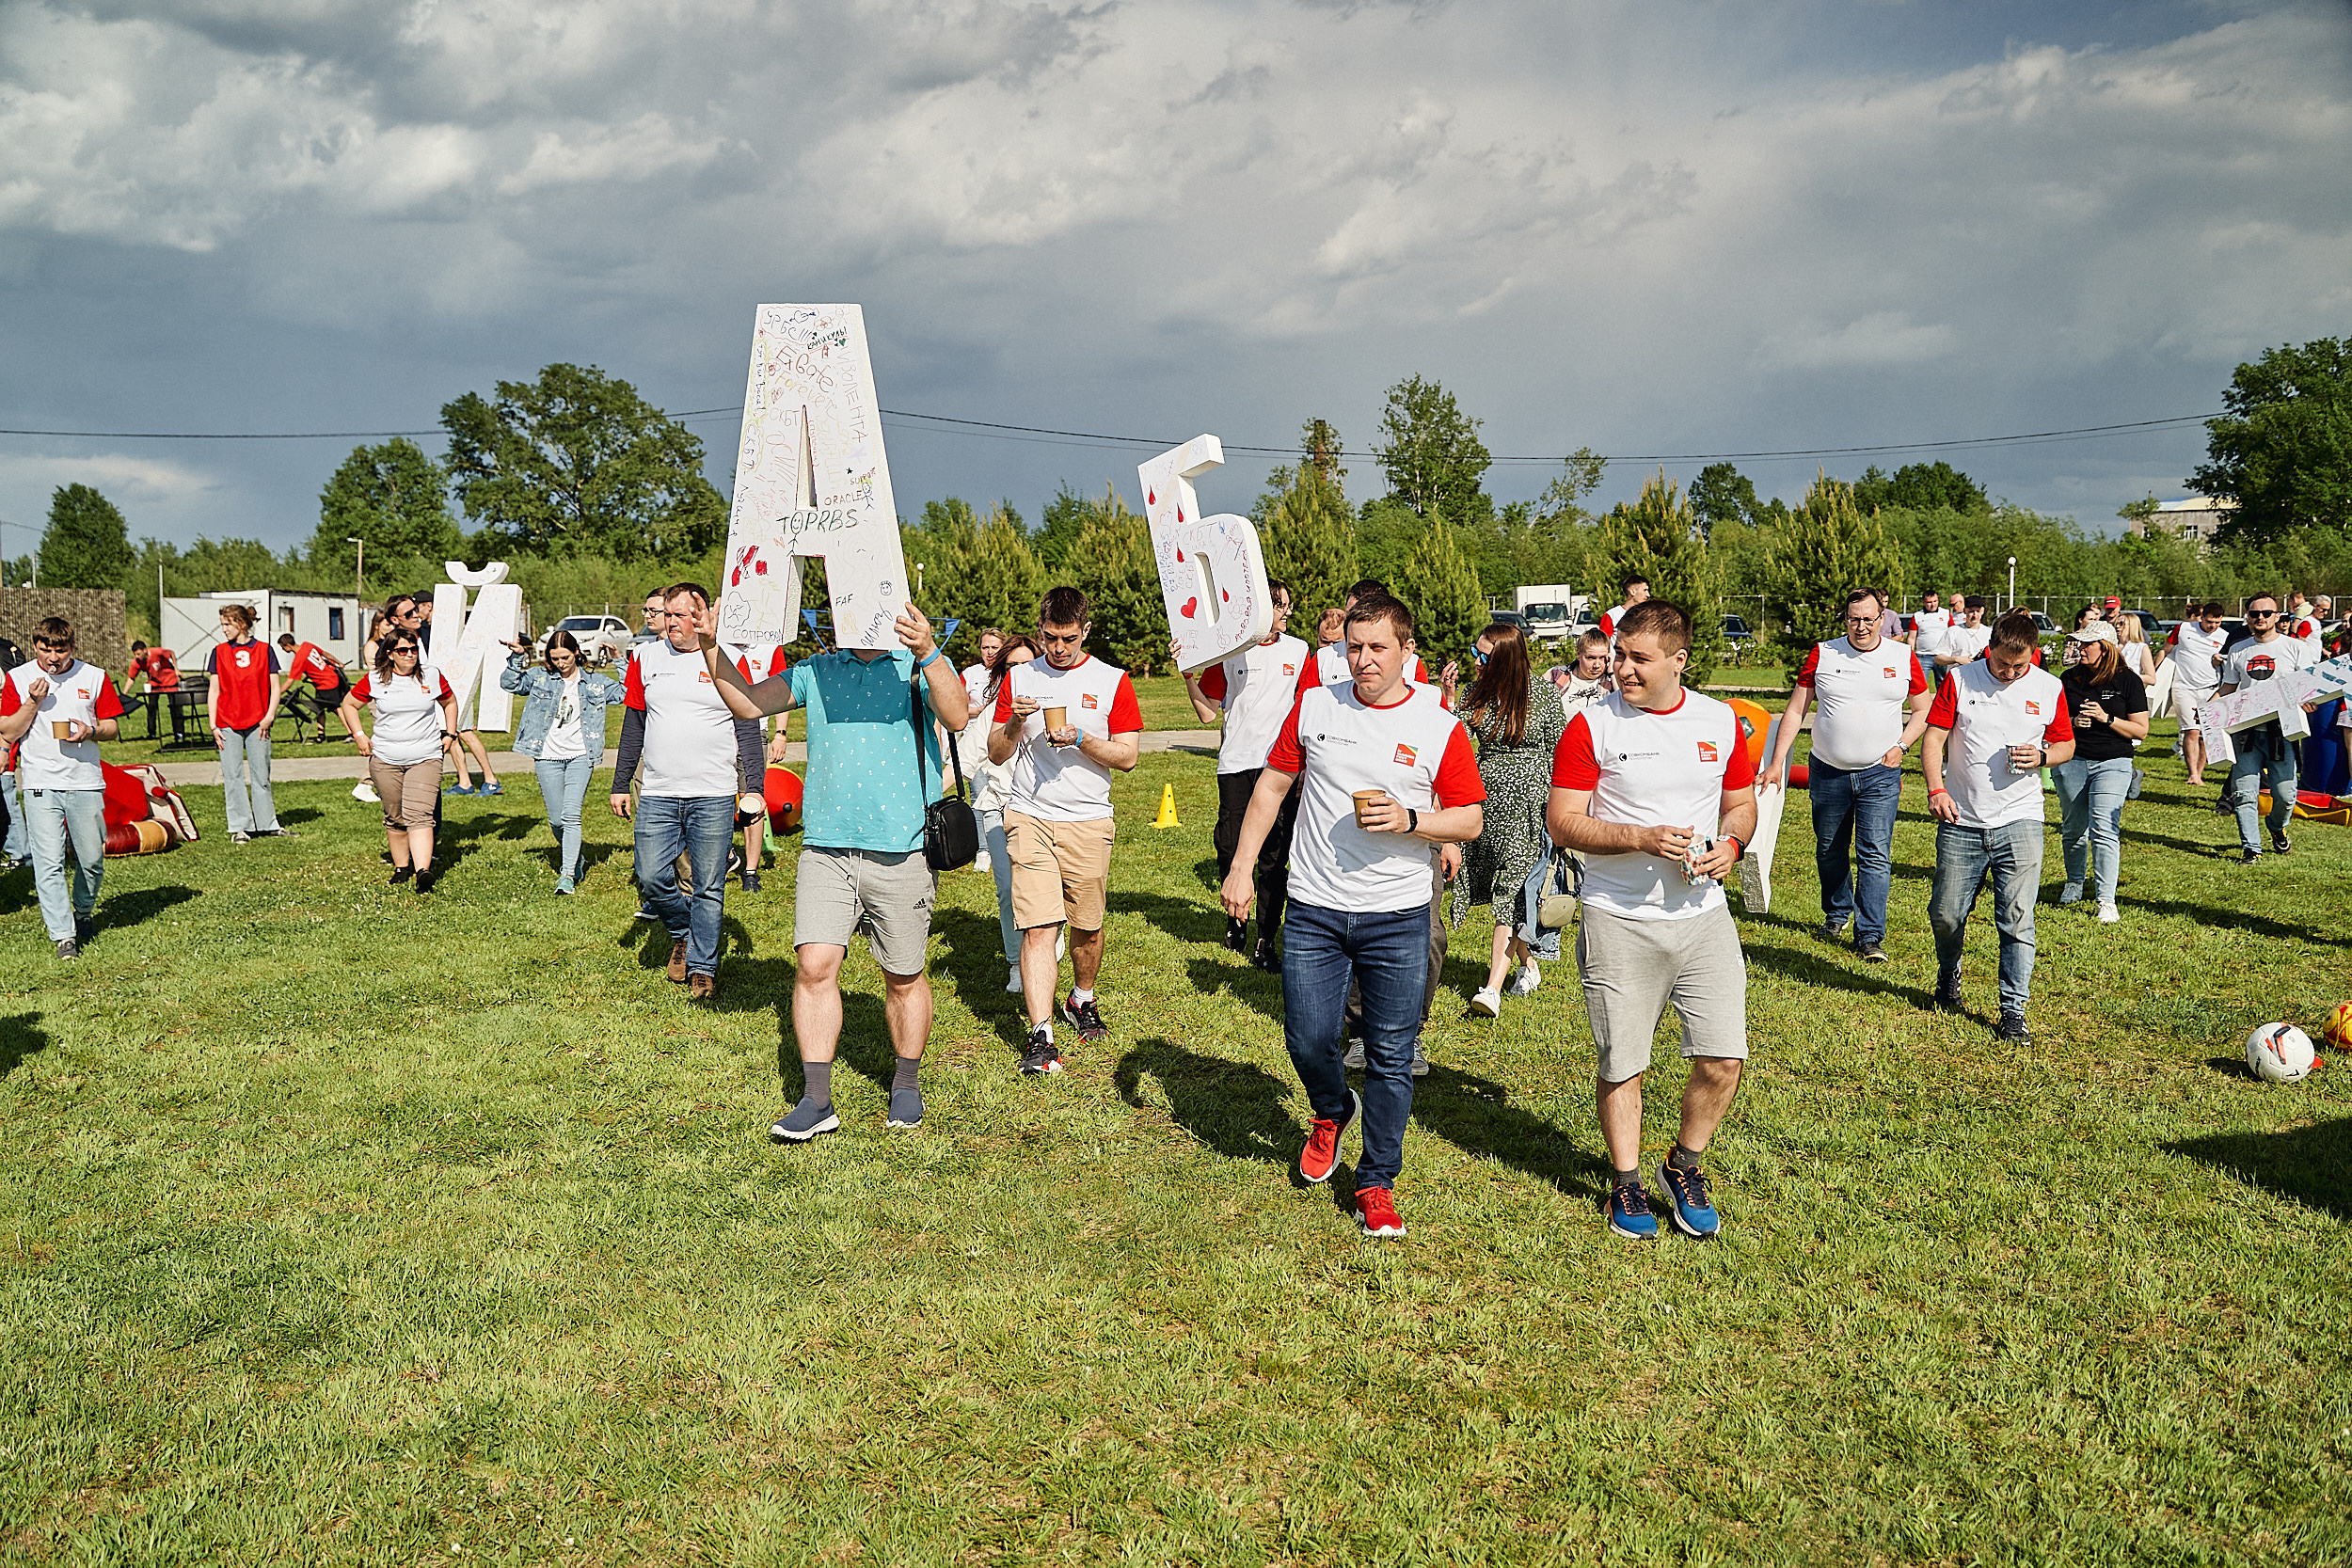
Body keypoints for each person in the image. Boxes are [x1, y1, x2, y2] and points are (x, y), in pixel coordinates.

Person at [1221, 594, 1485, 1240]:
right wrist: (1241, 866)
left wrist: (1413, 821)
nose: (1362, 659)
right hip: (1314, 907)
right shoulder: (1314, 706)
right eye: (1353, 647)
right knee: (1308, 1037)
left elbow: (1470, 817)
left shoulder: (1436, 723)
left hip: (1397, 914)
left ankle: (1376, 1181)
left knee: (1392, 1055)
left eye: (1377, 648)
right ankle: (1333, 1107)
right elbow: (1273, 787)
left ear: (1406, 652)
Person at [697, 598, 968, 1139]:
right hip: (825, 850)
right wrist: (710, 645)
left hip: (903, 848)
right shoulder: (814, 671)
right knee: (814, 966)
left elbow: (958, 715)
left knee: (903, 976)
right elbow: (748, 704)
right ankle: (817, 1100)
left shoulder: (915, 663)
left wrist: (929, 651)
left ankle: (906, 1083)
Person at [1547, 598, 1758, 1243]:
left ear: (1679, 661)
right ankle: (1627, 1181)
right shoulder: (1594, 726)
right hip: (1619, 916)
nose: (1624, 669)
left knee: (1724, 1055)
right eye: (1619, 656)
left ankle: (1683, 1164)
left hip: (1703, 916)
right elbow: (1563, 820)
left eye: (1640, 659)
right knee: (1623, 1062)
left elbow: (1742, 804)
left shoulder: (1720, 722)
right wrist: (1640, 837)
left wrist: (1733, 845)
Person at [986, 586, 1145, 1074]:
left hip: (1089, 818)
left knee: (1088, 926)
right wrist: (1014, 723)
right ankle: (1040, 1035)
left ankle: (1081, 996)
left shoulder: (1112, 680)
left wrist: (1082, 739)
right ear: (1040, 631)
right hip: (1030, 814)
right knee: (1038, 927)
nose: (1059, 648)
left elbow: (1130, 756)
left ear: (1086, 631)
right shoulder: (1019, 677)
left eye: (1069, 639)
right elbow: (995, 752)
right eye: (1051, 638)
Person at [1922, 610, 2076, 1043]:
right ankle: (1949, 972)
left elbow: (2066, 742)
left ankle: (2013, 1010)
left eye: (2019, 665)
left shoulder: (2049, 688)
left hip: (2021, 818)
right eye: (2002, 663)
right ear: (1989, 648)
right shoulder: (1960, 680)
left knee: (2016, 918)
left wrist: (2044, 757)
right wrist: (1937, 789)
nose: (2009, 672)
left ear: (2034, 654)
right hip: (1962, 817)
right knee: (1946, 915)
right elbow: (1933, 738)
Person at [609, 584, 763, 1001]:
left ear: (703, 618)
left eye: (681, 615)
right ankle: (682, 931)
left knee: (709, 884)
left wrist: (756, 789)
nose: (672, 623)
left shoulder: (732, 661)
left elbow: (748, 728)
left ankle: (702, 967)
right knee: (652, 876)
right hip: (659, 792)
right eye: (668, 614)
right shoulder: (646, 658)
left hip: (712, 793)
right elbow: (634, 725)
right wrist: (621, 782)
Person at [1760, 587, 1932, 962]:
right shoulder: (1824, 653)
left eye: (1868, 619)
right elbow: (1794, 711)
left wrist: (1901, 746)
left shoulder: (1902, 657)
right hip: (1828, 770)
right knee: (1829, 849)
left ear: (1882, 618)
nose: (1861, 626)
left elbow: (1924, 710)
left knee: (1875, 854)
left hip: (1880, 774)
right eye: (1854, 619)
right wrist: (1777, 762)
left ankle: (1870, 935)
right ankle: (1838, 912)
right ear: (1845, 619)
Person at [1182, 578, 1307, 971]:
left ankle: (1266, 941)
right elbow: (1207, 712)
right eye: (1280, 605)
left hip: (1281, 768)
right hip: (1236, 763)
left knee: (1273, 857)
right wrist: (1188, 675)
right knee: (1230, 848)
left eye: (1288, 605)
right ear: (1257, 607)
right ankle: (1236, 921)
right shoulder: (1231, 652)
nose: (1287, 612)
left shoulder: (1301, 651)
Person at [1448, 621, 1566, 1018]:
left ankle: (1492, 989)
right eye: (1474, 652)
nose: (1476, 661)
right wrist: (1451, 700)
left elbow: (1562, 753)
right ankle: (1528, 965)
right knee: (1504, 889)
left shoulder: (1544, 696)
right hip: (1486, 805)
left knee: (1512, 893)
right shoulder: (1473, 693)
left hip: (1530, 806)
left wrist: (1559, 811)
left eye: (1484, 656)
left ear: (1505, 660)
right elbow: (1457, 745)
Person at [0, 618, 125, 958]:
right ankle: (63, 935)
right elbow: (8, 732)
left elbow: (113, 727)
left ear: (73, 648)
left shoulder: (93, 676)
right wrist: (32, 702)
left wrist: (91, 730)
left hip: (84, 780)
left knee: (91, 858)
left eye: (60, 650)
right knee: (48, 862)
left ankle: (82, 911)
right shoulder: (18, 678)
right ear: (35, 646)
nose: (52, 658)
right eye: (45, 650)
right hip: (41, 781)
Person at [500, 630, 625, 894]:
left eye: (565, 657)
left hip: (581, 754)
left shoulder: (594, 682)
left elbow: (626, 692)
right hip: (547, 755)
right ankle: (576, 857)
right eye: (555, 658)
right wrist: (517, 657)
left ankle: (567, 874)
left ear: (576, 653)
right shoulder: (539, 678)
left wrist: (619, 660)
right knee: (557, 820)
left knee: (571, 815)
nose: (561, 663)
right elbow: (510, 684)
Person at [341, 631, 460, 891]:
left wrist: (450, 733)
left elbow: (449, 702)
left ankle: (423, 872)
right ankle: (401, 868)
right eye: (403, 650)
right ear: (390, 654)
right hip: (385, 758)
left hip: (426, 756)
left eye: (413, 650)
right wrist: (359, 735)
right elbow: (348, 704)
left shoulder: (431, 675)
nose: (409, 655)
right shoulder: (375, 679)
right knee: (395, 816)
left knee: (420, 815)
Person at [2052, 621, 2149, 924]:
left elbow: (2141, 730)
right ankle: (2074, 881)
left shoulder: (2128, 681)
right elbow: (2053, 722)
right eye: (2078, 644)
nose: (2079, 649)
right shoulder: (2068, 679)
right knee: (2073, 827)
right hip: (2072, 761)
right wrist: (2072, 722)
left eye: (2086, 645)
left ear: (2104, 648)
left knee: (2104, 827)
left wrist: (2106, 719)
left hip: (2113, 762)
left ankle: (2106, 899)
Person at [2215, 592, 2318, 863]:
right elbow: (2228, 687)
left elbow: (2306, 686)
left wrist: (2307, 701)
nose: (2260, 617)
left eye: (2266, 613)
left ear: (2277, 617)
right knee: (2244, 793)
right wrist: (2207, 709)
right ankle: (2252, 848)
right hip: (2245, 732)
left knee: (2285, 795)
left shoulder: (2296, 648)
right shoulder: (2238, 648)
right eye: (2254, 613)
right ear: (2247, 617)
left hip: (2281, 730)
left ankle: (2276, 826)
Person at [971, 633, 1043, 993]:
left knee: (1046, 888)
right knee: (1007, 890)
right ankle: (1016, 964)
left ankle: (1045, 942)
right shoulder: (990, 717)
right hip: (996, 809)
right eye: (1012, 665)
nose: (1020, 672)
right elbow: (965, 764)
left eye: (1026, 664)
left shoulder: (1050, 709)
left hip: (1040, 810)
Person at [206, 603, 289, 845]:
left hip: (258, 723)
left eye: (227, 624)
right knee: (232, 776)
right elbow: (214, 690)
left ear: (241, 624)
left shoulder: (264, 650)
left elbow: (275, 687)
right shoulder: (219, 652)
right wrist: (213, 725)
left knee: (261, 775)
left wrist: (269, 716)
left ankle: (267, 824)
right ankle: (241, 827)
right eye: (222, 624)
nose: (223, 629)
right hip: (227, 723)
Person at [416, 593, 502, 798]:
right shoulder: (424, 630)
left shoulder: (447, 626)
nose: (415, 613)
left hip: (459, 684)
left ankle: (491, 779)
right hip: (441, 685)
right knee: (449, 732)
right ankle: (464, 782)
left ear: (427, 606)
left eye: (416, 608)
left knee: (464, 732)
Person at [1297, 581, 1430, 693]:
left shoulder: (1411, 663)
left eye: (1364, 616)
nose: (1355, 621)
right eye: (1350, 613)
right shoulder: (1323, 658)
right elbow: (1303, 709)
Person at [2164, 601, 2228, 785]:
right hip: (2184, 687)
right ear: (2202, 617)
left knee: (2205, 734)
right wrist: (2154, 672)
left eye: (2217, 623)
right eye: (2209, 622)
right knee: (2191, 730)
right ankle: (2192, 774)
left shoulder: (2225, 637)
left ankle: (2199, 773)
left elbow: (2230, 662)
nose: (2212, 626)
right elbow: (2165, 650)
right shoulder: (2183, 629)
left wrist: (2220, 661)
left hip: (2211, 689)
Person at [276, 632, 352, 742]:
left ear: (288, 646)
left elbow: (289, 682)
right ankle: (321, 736)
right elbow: (325, 654)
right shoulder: (307, 645)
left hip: (327, 683)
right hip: (325, 682)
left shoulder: (298, 660)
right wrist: (338, 663)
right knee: (319, 709)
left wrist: (276, 694)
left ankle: (352, 733)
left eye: (283, 648)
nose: (283, 650)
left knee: (335, 708)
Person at [128, 639, 183, 740]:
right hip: (155, 683)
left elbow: (171, 653)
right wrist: (124, 694)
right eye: (135, 654)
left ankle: (179, 732)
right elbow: (131, 678)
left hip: (170, 680)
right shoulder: (137, 662)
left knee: (175, 706)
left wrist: (176, 669)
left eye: (138, 654)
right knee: (151, 706)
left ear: (145, 650)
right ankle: (152, 733)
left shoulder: (157, 652)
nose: (137, 657)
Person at [1548, 628, 1614, 705]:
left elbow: (1625, 707)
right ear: (1578, 654)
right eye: (1590, 658)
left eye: (1602, 658)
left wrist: (1613, 674)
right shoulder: (1555, 675)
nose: (1596, 665)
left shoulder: (1611, 681)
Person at [1934, 596, 1992, 669]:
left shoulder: (1989, 633)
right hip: (1958, 674)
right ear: (1965, 611)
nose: (1975, 615)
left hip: (1981, 676)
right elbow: (1938, 658)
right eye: (1971, 611)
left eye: (1978, 611)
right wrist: (1956, 659)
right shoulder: (1953, 631)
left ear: (1983, 611)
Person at [1596, 575, 1651, 643]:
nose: (1648, 595)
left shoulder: (1648, 616)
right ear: (1632, 592)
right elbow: (1601, 642)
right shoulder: (1612, 615)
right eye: (1645, 590)